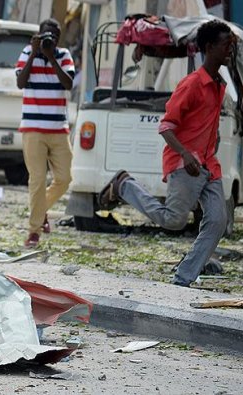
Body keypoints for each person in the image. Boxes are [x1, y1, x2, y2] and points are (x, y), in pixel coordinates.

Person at [99, 20, 233, 288]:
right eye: (226, 45)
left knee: (218, 221)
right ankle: (125, 185)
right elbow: (166, 126)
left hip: (209, 166)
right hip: (186, 164)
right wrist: (185, 154)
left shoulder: (219, 84)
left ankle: (184, 277)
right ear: (209, 47)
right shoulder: (192, 84)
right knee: (173, 221)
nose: (230, 50)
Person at [16, 18, 75, 248]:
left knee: (64, 179)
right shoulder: (26, 53)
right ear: (38, 36)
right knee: (37, 180)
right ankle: (34, 231)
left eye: (54, 36)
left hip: (58, 130)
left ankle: (40, 211)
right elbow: (21, 82)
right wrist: (33, 53)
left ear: (58, 38)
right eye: (45, 35)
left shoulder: (63, 55)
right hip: (32, 129)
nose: (50, 39)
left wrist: (51, 57)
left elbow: (68, 84)